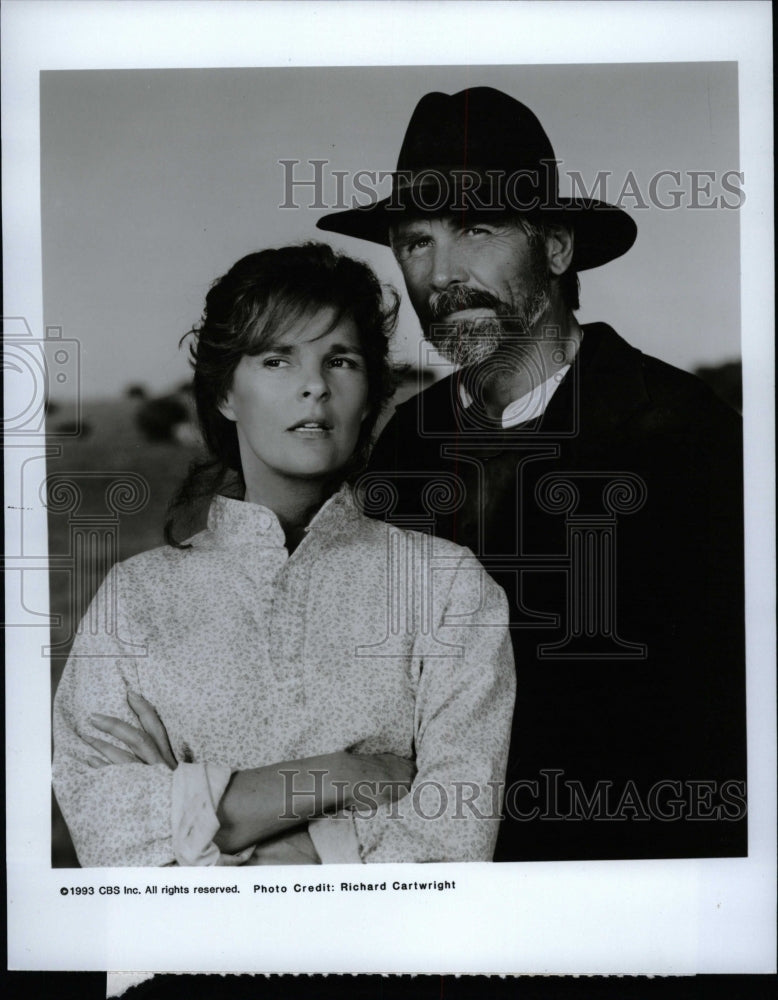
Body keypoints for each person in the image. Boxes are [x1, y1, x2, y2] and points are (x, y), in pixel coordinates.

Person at [317, 86, 747, 861]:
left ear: (554, 247)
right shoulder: (410, 442)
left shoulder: (686, 438)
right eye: (415, 241)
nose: (442, 273)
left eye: (475, 228)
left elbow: (728, 724)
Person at [52, 242, 515, 867]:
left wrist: (212, 818)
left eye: (342, 361)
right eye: (277, 360)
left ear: (372, 392)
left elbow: (451, 844)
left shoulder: (449, 588)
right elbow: (108, 835)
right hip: (182, 965)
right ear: (224, 394)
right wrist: (350, 774)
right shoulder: (136, 597)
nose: (314, 388)